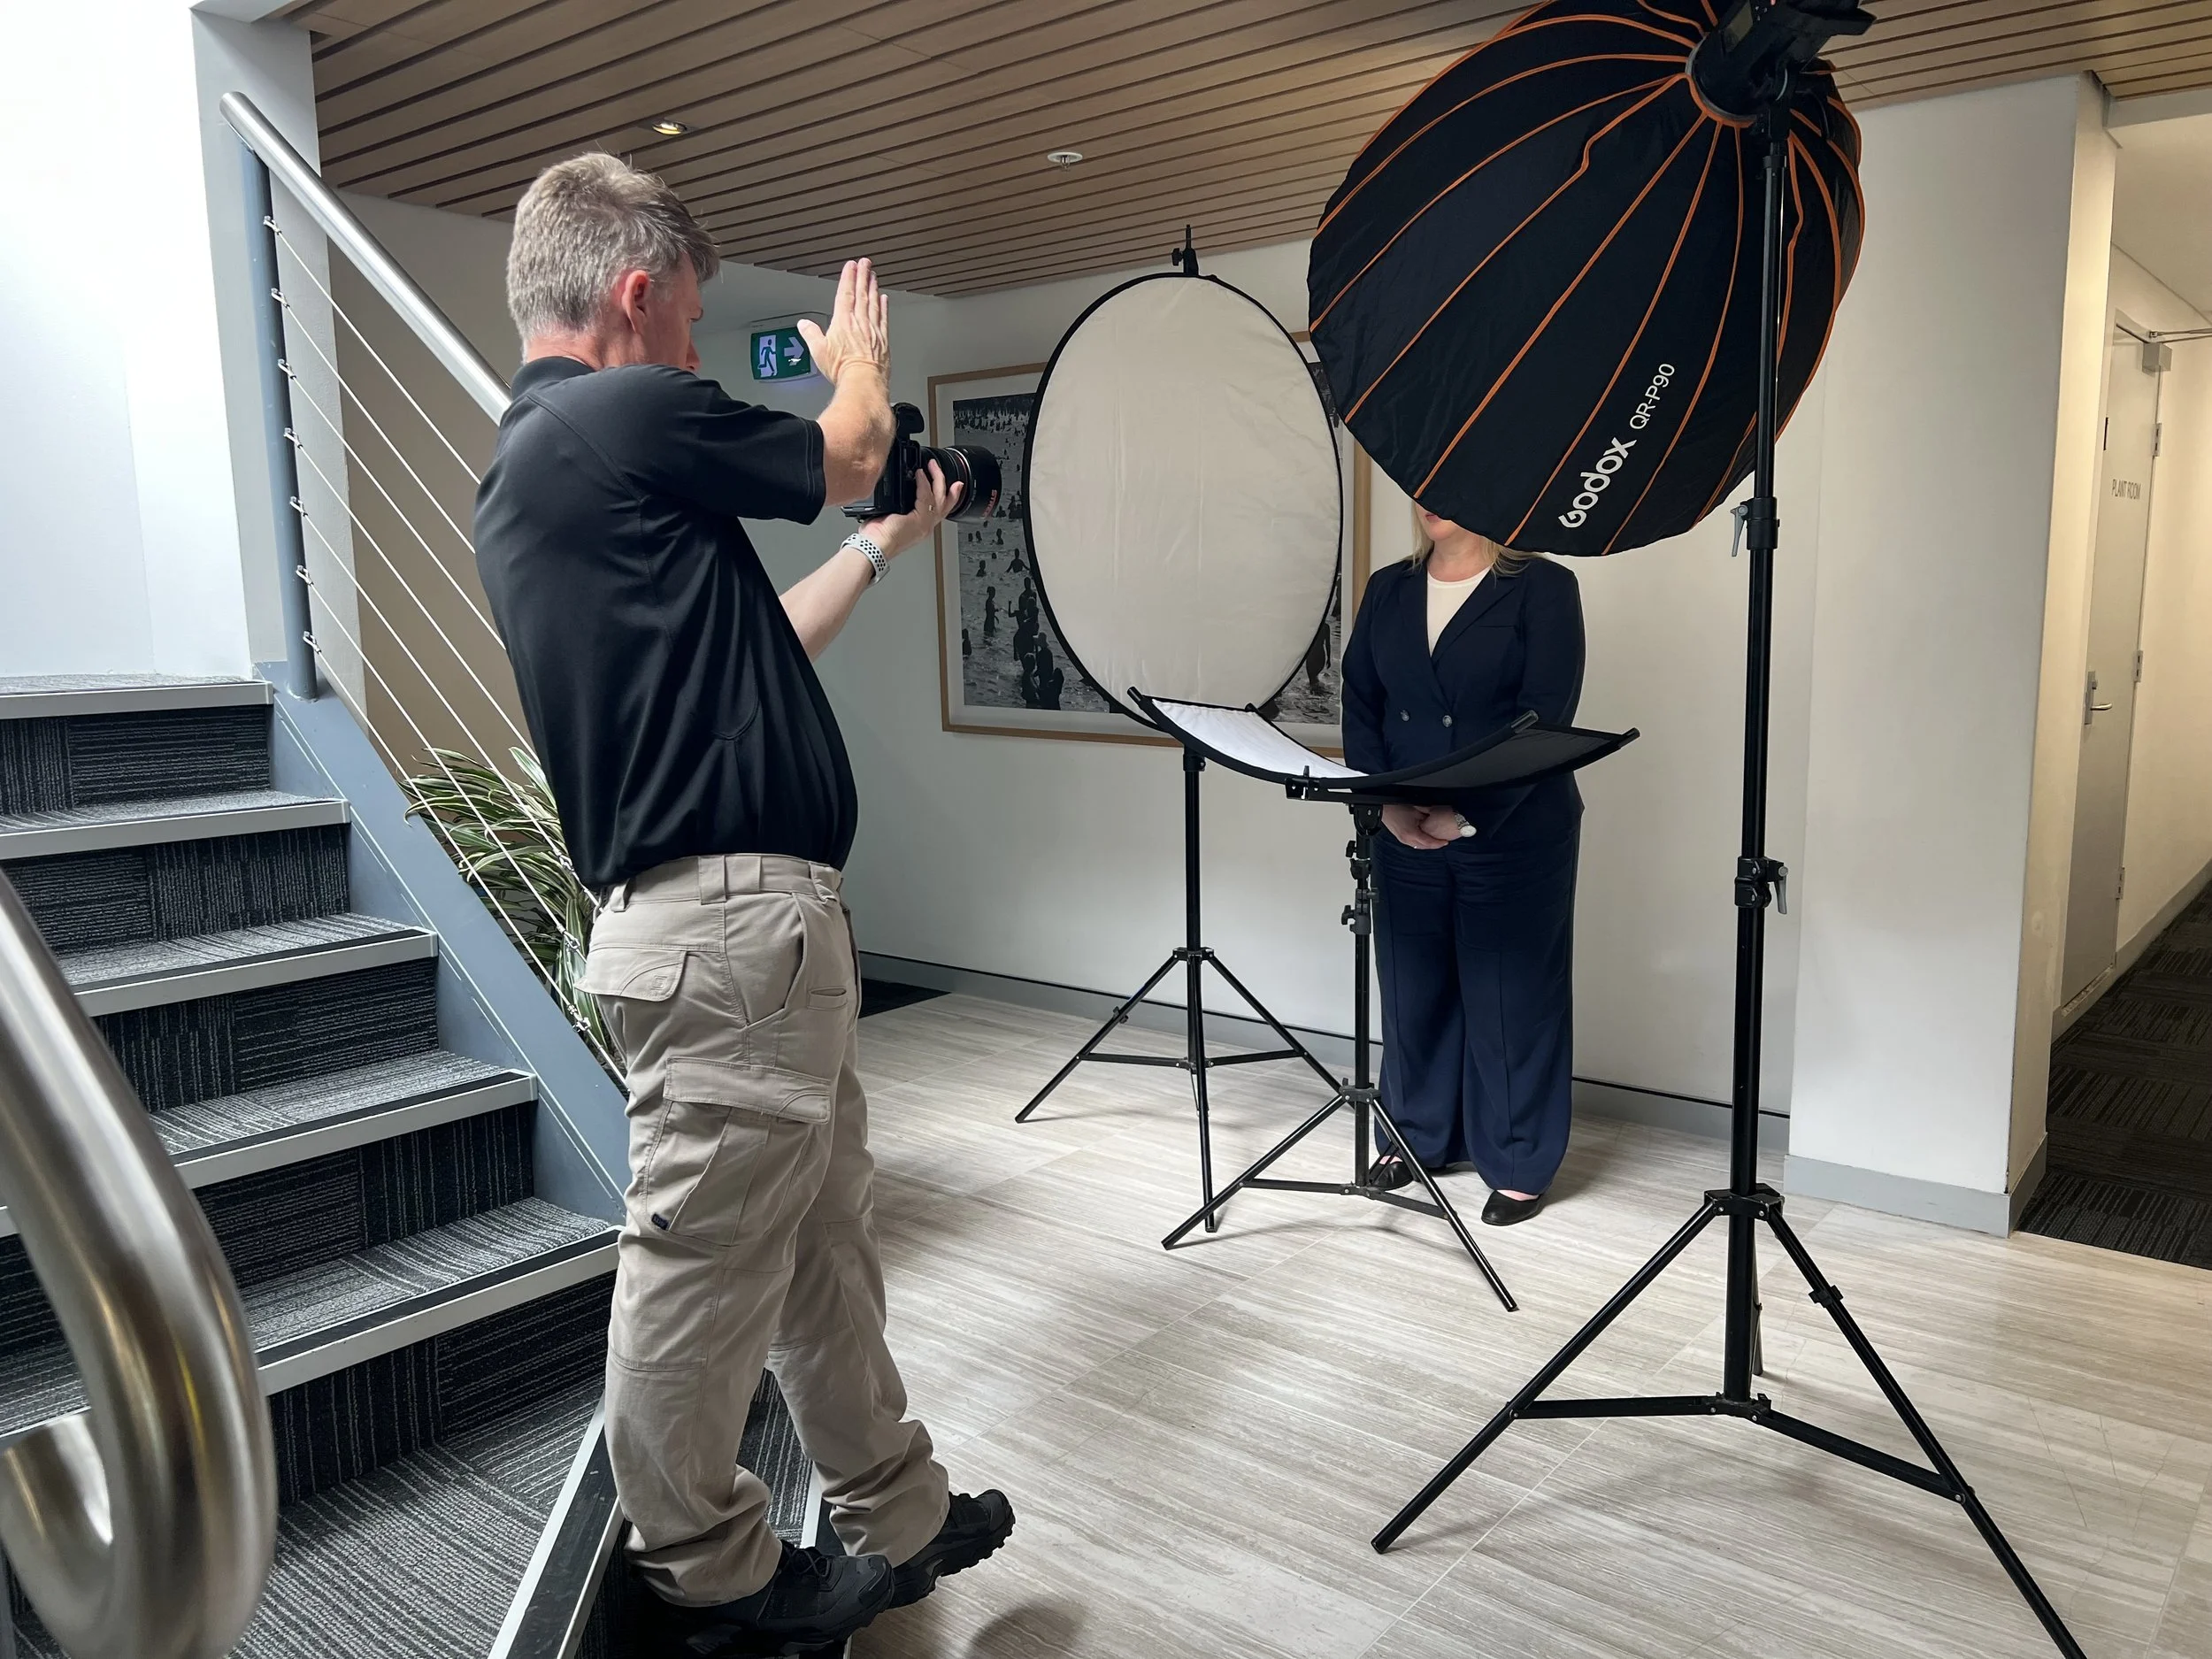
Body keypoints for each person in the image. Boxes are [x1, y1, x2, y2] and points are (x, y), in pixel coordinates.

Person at [472, 152, 1013, 1657]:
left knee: (821, 1241)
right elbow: (847, 442)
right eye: (695, 321)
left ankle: (893, 1513)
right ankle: (707, 1572)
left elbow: (765, 637)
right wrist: (864, 377)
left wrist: (879, 545)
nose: (702, 356)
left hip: (740, 933)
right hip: (726, 929)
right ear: (634, 293)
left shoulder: (558, 473)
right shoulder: (610, 409)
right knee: (704, 1268)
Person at [1340, 506, 1586, 1226]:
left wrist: (1467, 813)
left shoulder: (1544, 587)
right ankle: (1414, 1137)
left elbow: (1547, 719)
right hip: (1401, 826)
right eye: (1419, 482)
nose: (1429, 496)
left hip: (1515, 830)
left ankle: (1516, 1162)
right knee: (1413, 989)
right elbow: (1363, 706)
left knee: (1510, 996)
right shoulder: (1389, 588)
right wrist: (1384, 806)